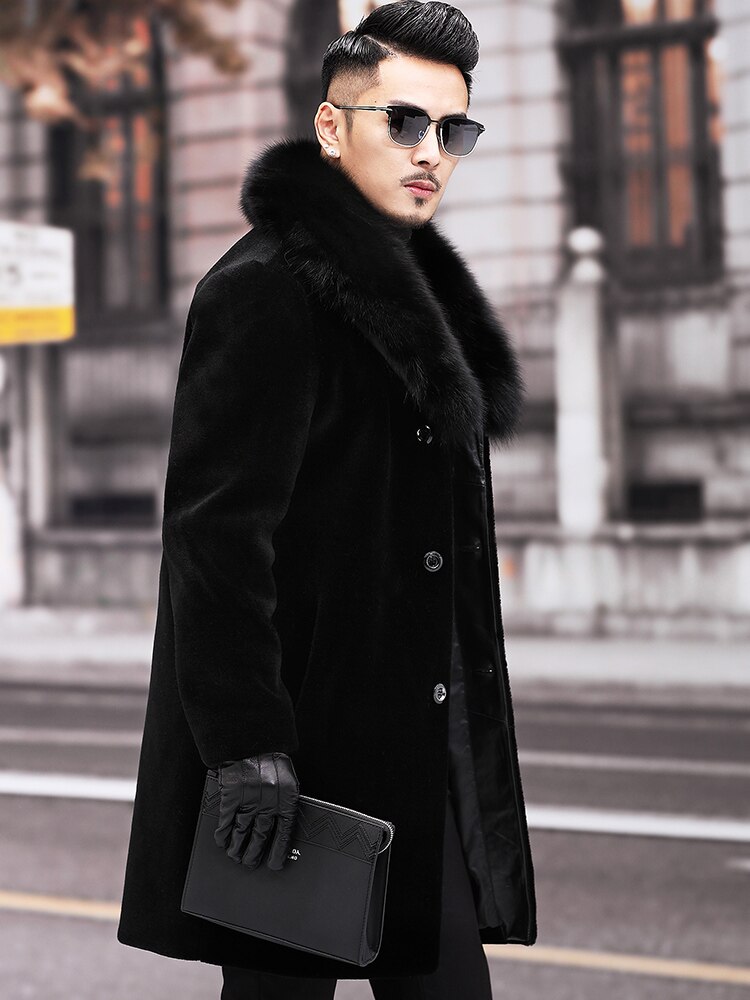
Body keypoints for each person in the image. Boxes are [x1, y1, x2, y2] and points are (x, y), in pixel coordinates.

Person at [116, 2, 537, 996]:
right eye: (404, 121)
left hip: (410, 746)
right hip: (297, 761)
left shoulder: (419, 302)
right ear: (330, 127)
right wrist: (247, 746)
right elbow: (215, 539)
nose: (431, 151)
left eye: (454, 130)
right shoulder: (264, 288)